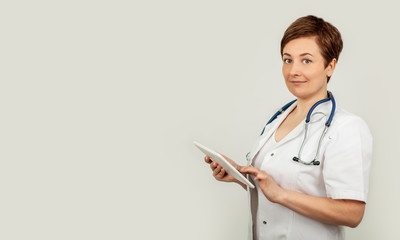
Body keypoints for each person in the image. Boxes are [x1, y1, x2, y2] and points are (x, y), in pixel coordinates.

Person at [204, 15, 372, 240]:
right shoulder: (278, 119)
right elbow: (272, 189)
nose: (293, 71)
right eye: (287, 59)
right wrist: (239, 176)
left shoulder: (346, 128)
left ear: (330, 66)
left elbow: (352, 213)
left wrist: (282, 195)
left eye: (306, 60)